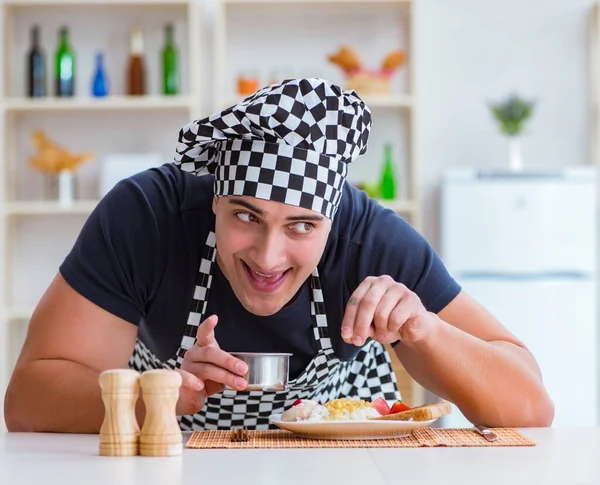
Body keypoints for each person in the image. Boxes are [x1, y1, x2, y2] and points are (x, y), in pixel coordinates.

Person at [4, 78, 554, 433]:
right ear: (215, 199)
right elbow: (29, 400)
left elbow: (531, 410)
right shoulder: (146, 217)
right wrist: (167, 395)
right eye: (246, 216)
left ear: (332, 223)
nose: (268, 256)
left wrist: (426, 330)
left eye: (301, 226)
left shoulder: (372, 240)